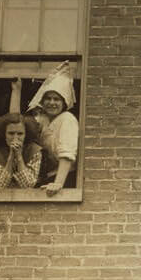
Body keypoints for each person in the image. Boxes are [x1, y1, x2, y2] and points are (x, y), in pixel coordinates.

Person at [27, 61, 79, 196]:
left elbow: (67, 153)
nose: (52, 103)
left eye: (56, 99)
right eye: (48, 99)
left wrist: (58, 183)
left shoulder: (67, 119)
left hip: (65, 177)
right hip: (46, 177)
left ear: (64, 102)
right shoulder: (42, 120)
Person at [0, 114, 43, 189]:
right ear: (4, 134)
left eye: (20, 134)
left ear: (26, 134)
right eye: (11, 133)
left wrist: (19, 157)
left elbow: (28, 185)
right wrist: (11, 157)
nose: (15, 137)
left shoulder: (35, 151)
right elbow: (1, 186)